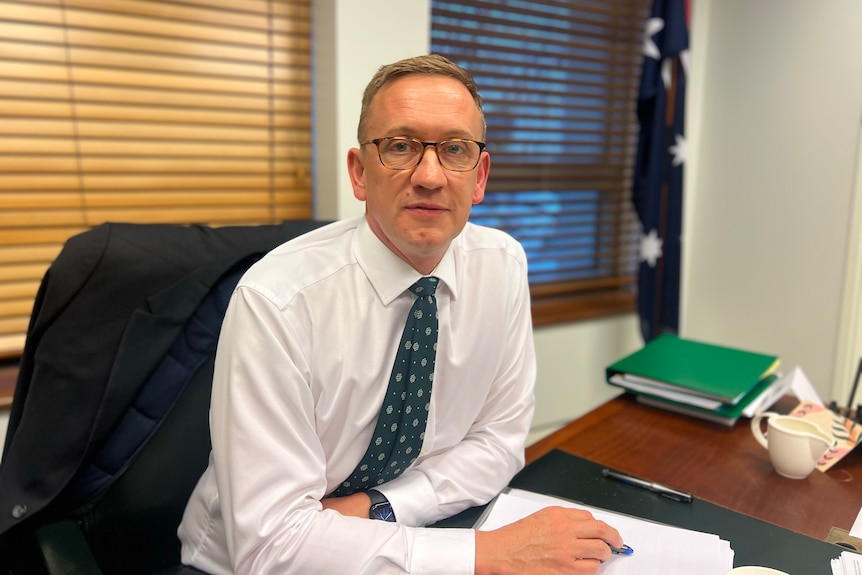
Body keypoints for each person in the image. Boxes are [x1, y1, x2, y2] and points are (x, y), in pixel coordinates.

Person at [178, 53, 622, 575]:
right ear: (359, 172)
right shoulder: (277, 300)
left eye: (454, 149)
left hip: (414, 534)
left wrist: (380, 508)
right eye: (401, 147)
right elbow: (272, 546)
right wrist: (491, 554)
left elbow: (499, 445)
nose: (430, 176)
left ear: (479, 177)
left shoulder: (501, 266)